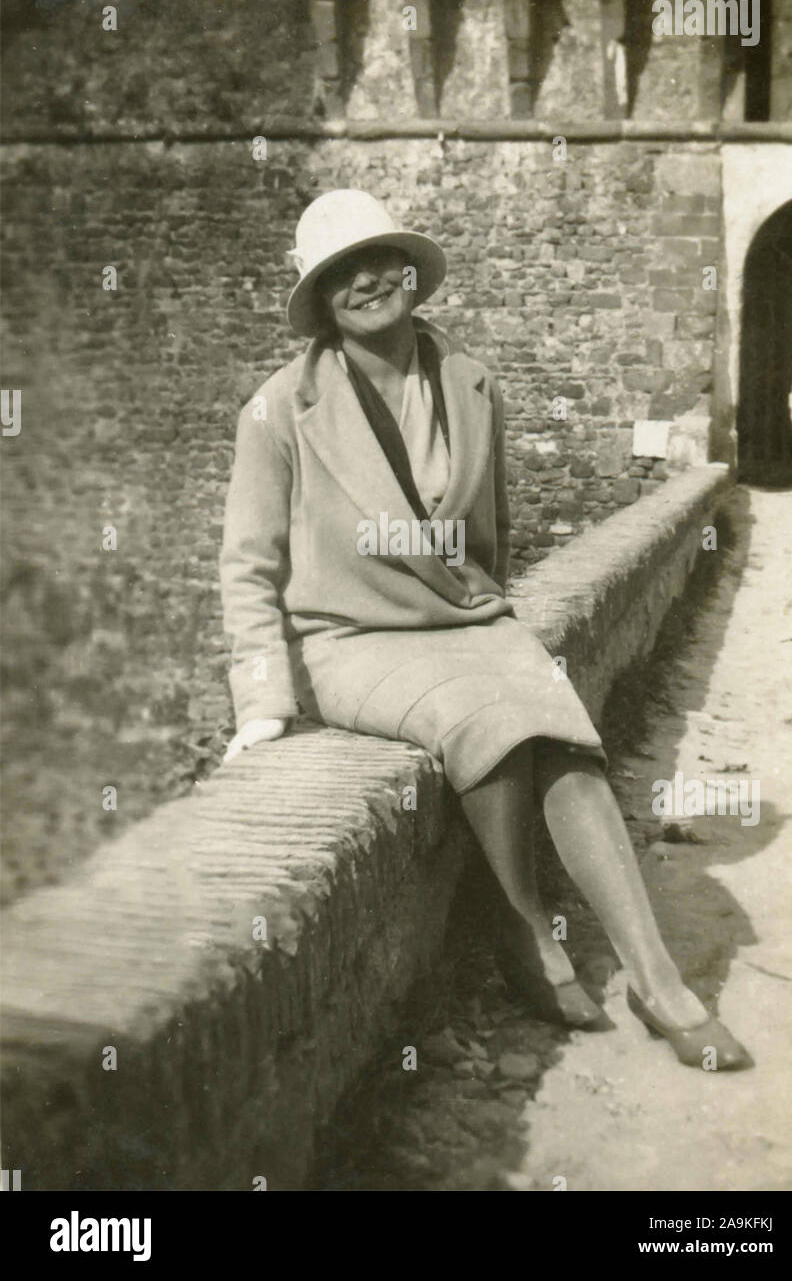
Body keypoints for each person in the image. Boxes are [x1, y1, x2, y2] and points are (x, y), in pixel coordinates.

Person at [220, 189, 750, 1070]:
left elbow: (490, 532)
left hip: (463, 617)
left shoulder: (469, 382)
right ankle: (523, 936)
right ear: (318, 300)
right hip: (348, 642)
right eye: (341, 273)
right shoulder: (279, 410)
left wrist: (488, 619)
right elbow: (247, 566)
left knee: (568, 738)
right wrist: (263, 705)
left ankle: (656, 979)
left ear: (410, 273)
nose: (366, 282)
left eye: (380, 260)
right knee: (494, 730)